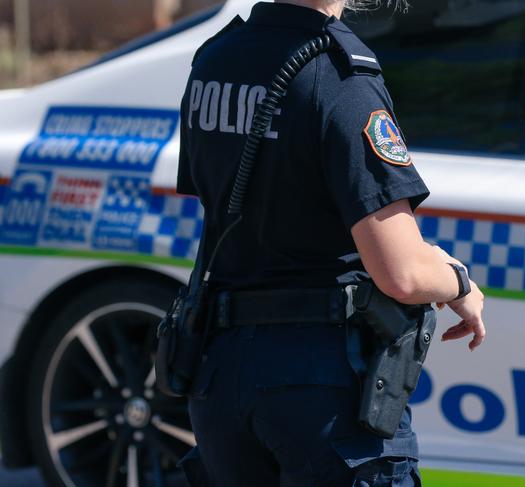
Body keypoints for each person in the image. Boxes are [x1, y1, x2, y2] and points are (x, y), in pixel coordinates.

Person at [175, 0, 486, 485]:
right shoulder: (342, 78)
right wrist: (460, 284)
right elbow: (401, 273)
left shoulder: (215, 60)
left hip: (219, 375)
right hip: (318, 388)